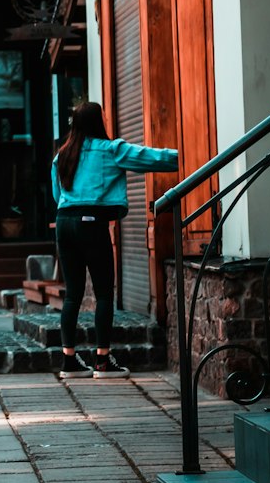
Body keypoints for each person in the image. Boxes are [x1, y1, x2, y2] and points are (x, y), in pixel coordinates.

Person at [51, 101, 178, 379]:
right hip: (91, 223)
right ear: (99, 121)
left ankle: (69, 362)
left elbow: (56, 192)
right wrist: (186, 156)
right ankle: (102, 361)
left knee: (72, 294)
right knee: (104, 293)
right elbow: (151, 158)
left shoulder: (62, 154)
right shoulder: (110, 149)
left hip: (64, 222)